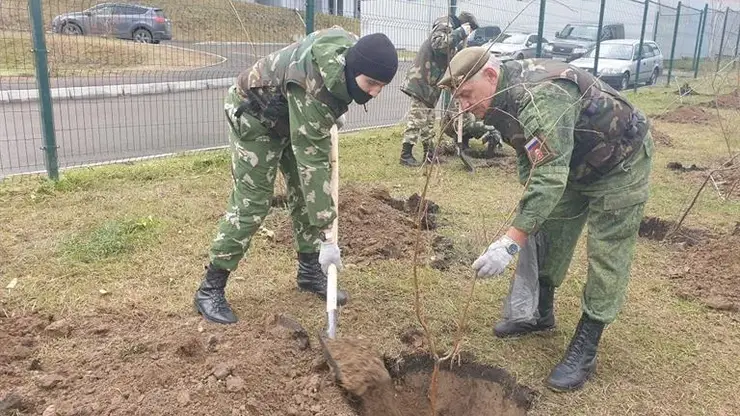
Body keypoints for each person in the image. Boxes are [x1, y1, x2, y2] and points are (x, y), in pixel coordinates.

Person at [438, 47, 653, 392]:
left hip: (620, 160)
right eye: (457, 97)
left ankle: (588, 341)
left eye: (466, 94)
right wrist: (531, 208)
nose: (463, 106)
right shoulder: (503, 97)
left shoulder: (542, 97)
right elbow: (532, 156)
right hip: (572, 162)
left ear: (490, 76)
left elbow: (550, 175)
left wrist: (510, 242)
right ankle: (540, 313)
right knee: (549, 230)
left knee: (607, 253)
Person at [193, 27, 399, 325]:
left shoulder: (347, 50)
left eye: (382, 86)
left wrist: (331, 109)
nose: (374, 92)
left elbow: (328, 36)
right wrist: (328, 236)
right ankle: (210, 288)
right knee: (253, 203)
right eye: (371, 83)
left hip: (289, 114)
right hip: (254, 115)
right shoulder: (314, 90)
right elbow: (313, 165)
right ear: (352, 67)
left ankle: (308, 272)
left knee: (303, 196)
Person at [398, 11, 482, 166]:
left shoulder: (454, 35)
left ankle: (429, 155)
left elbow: (450, 63)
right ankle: (406, 155)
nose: (468, 35)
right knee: (417, 118)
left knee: (429, 122)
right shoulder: (446, 25)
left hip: (431, 85)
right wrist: (460, 32)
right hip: (421, 81)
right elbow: (438, 44)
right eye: (469, 31)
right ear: (466, 26)